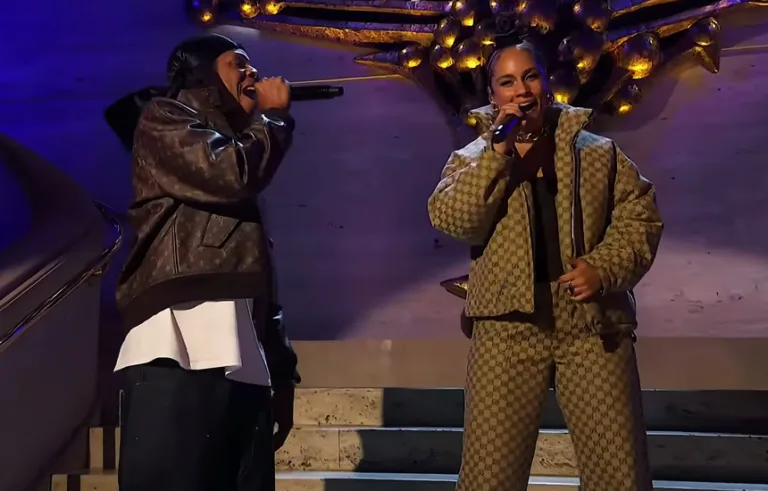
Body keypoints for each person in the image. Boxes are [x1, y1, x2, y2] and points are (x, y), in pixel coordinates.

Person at [427, 40, 663, 491]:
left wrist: (603, 268)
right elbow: (456, 220)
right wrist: (496, 156)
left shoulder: (597, 152)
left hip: (593, 325)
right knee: (489, 476)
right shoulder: (472, 159)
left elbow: (641, 217)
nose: (521, 90)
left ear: (547, 84)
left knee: (619, 473)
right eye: (507, 82)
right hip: (506, 325)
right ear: (493, 95)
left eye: (530, 76)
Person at [106, 33, 301, 491]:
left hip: (240, 341)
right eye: (239, 64)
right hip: (179, 334)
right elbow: (230, 174)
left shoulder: (237, 140)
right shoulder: (164, 118)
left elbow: (257, 270)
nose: (253, 74)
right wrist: (273, 117)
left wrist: (280, 366)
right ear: (201, 72)